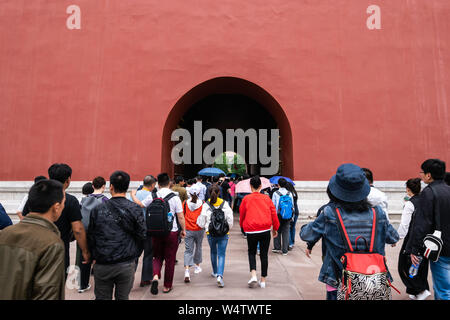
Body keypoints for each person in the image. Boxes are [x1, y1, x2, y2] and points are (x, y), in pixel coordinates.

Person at [300, 163, 399, 300]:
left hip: (339, 278)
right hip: (373, 278)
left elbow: (306, 234)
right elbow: (393, 237)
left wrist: (309, 224)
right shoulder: (378, 213)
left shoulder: (330, 213)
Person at [22, 164, 91, 279]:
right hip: (60, 250)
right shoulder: (71, 200)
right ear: (68, 180)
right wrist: (85, 251)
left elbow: (25, 217)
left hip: (33, 248)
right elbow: (77, 229)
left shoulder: (35, 196)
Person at [0, 179, 66, 299]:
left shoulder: (5, 234)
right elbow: (47, 294)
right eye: (63, 203)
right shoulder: (52, 243)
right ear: (56, 207)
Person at [87, 170, 146, 300]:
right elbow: (142, 235)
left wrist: (93, 256)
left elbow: (91, 236)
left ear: (111, 187)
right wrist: (135, 255)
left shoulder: (97, 209)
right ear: (127, 186)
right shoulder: (135, 209)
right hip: (126, 262)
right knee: (123, 297)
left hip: (103, 262)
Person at [135, 173, 187, 295]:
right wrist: (183, 230)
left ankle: (155, 277)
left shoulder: (153, 195)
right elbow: (180, 216)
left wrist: (133, 195)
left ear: (158, 184)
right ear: (169, 183)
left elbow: (142, 204)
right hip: (172, 231)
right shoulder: (175, 197)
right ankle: (167, 286)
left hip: (155, 232)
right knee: (170, 259)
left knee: (157, 256)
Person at [406, 159, 450, 300]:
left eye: (422, 172)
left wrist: (415, 249)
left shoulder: (429, 193)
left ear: (429, 175)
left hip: (440, 247)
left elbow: (421, 224)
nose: (421, 175)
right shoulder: (448, 189)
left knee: (443, 289)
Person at [239, 176, 279, 288]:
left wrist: (242, 226)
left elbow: (242, 215)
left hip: (251, 230)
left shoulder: (246, 199)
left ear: (250, 186)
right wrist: (275, 228)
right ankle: (263, 280)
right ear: (261, 186)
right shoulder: (267, 199)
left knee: (251, 252)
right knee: (264, 254)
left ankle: (253, 275)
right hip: (265, 229)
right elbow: (274, 214)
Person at [397, 178, 430, 300]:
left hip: (411, 239)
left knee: (404, 266)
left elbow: (404, 225)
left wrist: (397, 238)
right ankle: (418, 290)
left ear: (407, 189)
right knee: (421, 264)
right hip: (425, 238)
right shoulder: (425, 201)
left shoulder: (410, 204)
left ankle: (420, 290)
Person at [197, 185, 233, 288]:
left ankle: (215, 271)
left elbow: (201, 221)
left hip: (211, 233)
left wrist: (206, 228)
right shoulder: (224, 203)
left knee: (213, 252)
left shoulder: (206, 205)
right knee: (221, 254)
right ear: (219, 193)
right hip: (223, 233)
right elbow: (229, 219)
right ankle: (220, 276)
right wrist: (227, 229)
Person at [131, 175, 157, 287]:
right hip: (148, 227)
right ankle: (146, 278)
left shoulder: (135, 194)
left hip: (135, 227)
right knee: (148, 253)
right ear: (152, 185)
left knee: (135, 253)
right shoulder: (152, 195)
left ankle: (129, 276)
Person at [182, 184, 205, 283]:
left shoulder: (185, 203)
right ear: (199, 193)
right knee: (198, 247)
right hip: (199, 229)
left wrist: (182, 229)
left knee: (188, 250)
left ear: (189, 193)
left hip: (188, 229)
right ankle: (197, 266)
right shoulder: (203, 203)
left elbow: (182, 216)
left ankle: (187, 271)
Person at [271, 178, 295, 255]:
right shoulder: (289, 193)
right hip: (288, 214)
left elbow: (273, 205)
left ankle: (277, 247)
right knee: (286, 231)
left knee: (277, 230)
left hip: (278, 214)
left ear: (278, 184)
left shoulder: (275, 193)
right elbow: (292, 205)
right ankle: (285, 250)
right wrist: (292, 216)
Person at [285, 182, 299, 250]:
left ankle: (290, 243)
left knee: (289, 227)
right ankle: (292, 242)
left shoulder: (289, 194)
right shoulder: (295, 193)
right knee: (293, 227)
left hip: (291, 211)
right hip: (296, 211)